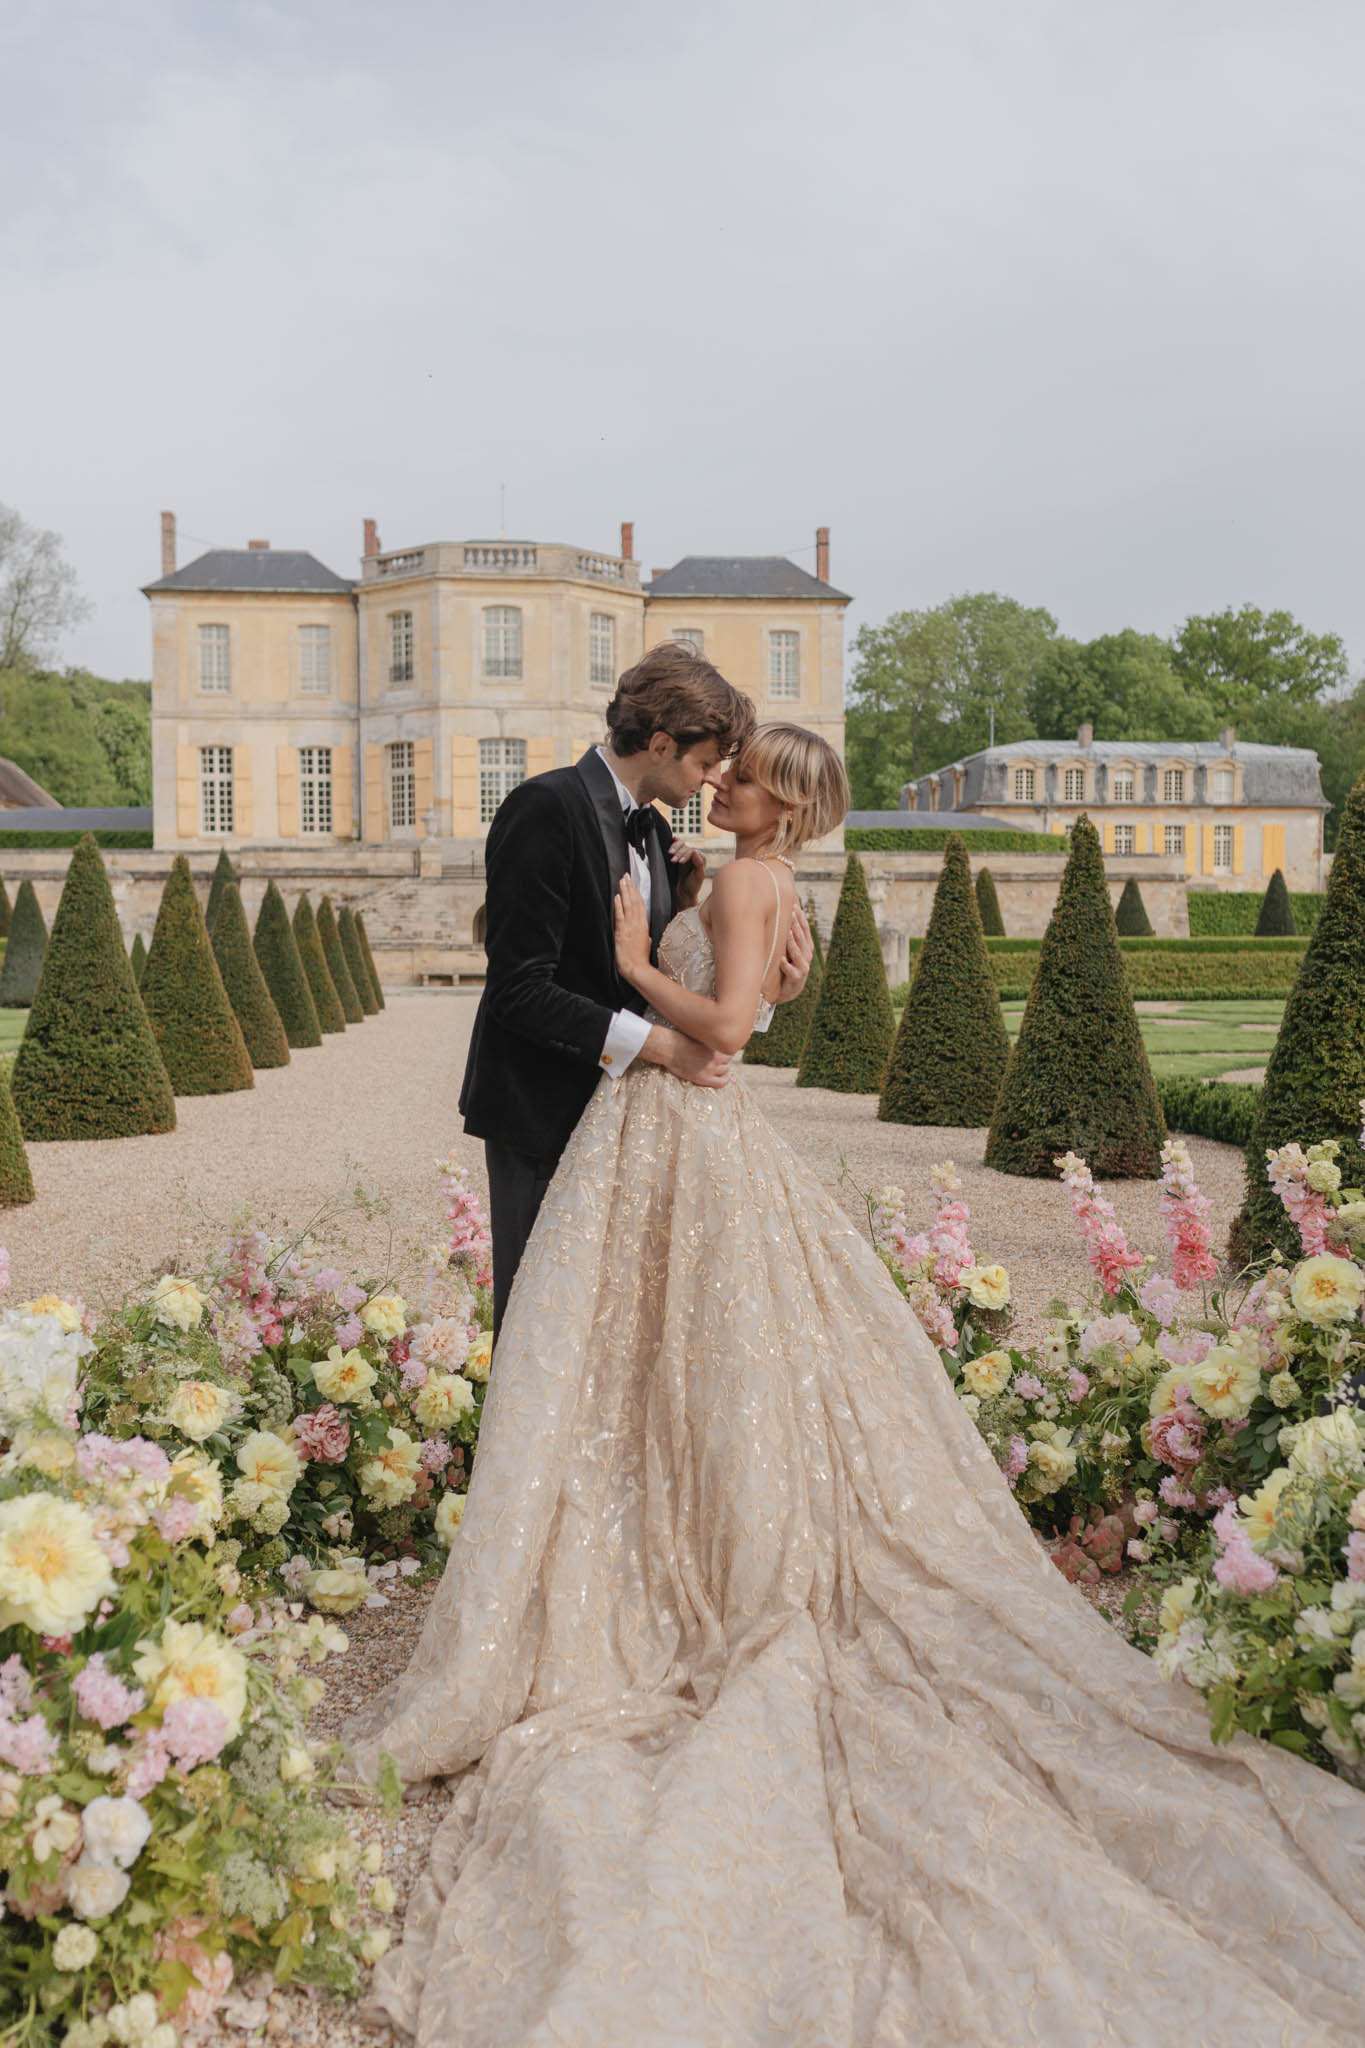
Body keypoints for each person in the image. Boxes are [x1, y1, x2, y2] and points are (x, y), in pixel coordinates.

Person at [341, 724, 1365, 2046]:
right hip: (671, 1134)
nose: (724, 778)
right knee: (676, 1350)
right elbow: (752, 967)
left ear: (783, 800)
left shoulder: (750, 878)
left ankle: (670, 1543)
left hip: (681, 1119)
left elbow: (726, 1030)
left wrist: (640, 961)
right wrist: (693, 897)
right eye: (724, 763)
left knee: (680, 1345)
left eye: (746, 772)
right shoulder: (751, 873)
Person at [457, 639, 813, 1335]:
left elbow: (669, 978)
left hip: (630, 1123)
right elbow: (518, 991)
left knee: (610, 1336)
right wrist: (660, 1048)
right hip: (543, 1108)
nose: (713, 780)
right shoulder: (544, 806)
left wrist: (769, 985)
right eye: (706, 762)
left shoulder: (654, 831)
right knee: (538, 1326)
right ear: (659, 743)